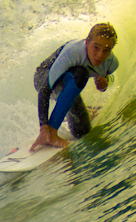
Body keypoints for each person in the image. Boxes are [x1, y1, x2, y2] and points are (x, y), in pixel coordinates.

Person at [30, 23, 119, 151]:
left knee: (82, 131)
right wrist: (44, 127)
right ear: (87, 43)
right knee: (81, 73)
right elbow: (45, 90)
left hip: (70, 82)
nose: (100, 55)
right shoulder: (73, 52)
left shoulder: (111, 63)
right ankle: (52, 132)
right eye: (96, 47)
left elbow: (108, 78)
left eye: (106, 50)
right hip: (43, 76)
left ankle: (79, 111)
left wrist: (104, 84)